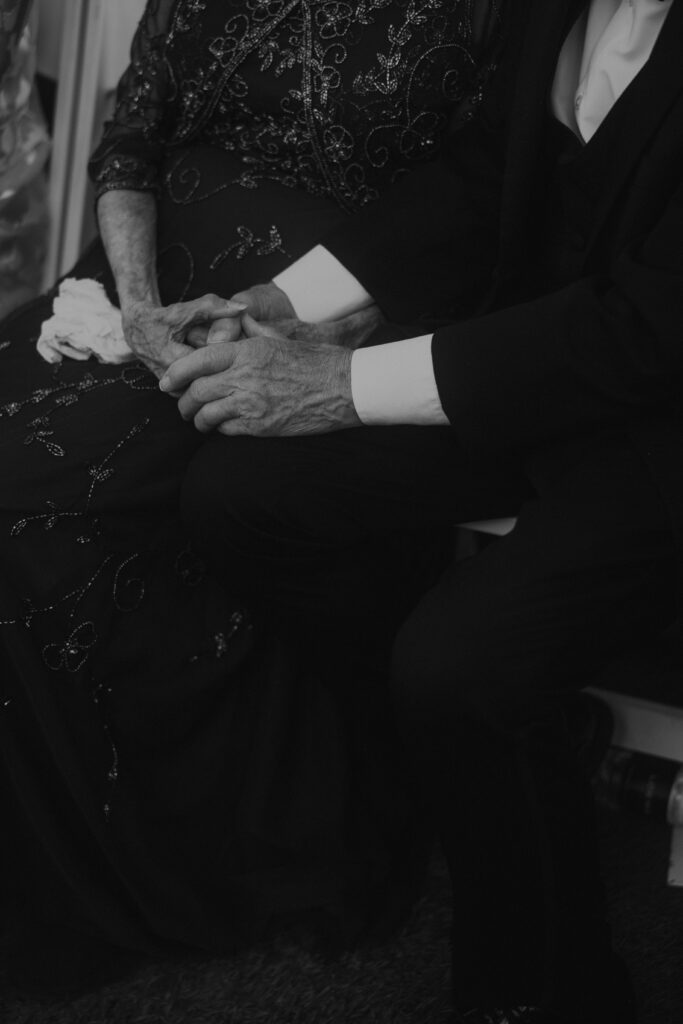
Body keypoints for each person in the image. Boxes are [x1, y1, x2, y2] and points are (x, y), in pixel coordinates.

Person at [158, 1, 683, 1022]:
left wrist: (336, 385)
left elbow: (644, 327)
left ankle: (549, 988)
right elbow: (492, 165)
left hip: (660, 418)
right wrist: (284, 302)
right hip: (525, 363)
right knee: (240, 499)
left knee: (459, 664)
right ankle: (463, 762)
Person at [0, 0, 503, 994]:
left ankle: (116, 863)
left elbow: (474, 216)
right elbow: (130, 150)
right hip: (146, 296)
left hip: (322, 329)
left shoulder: (497, 16)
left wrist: (307, 342)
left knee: (40, 512)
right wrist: (138, 312)